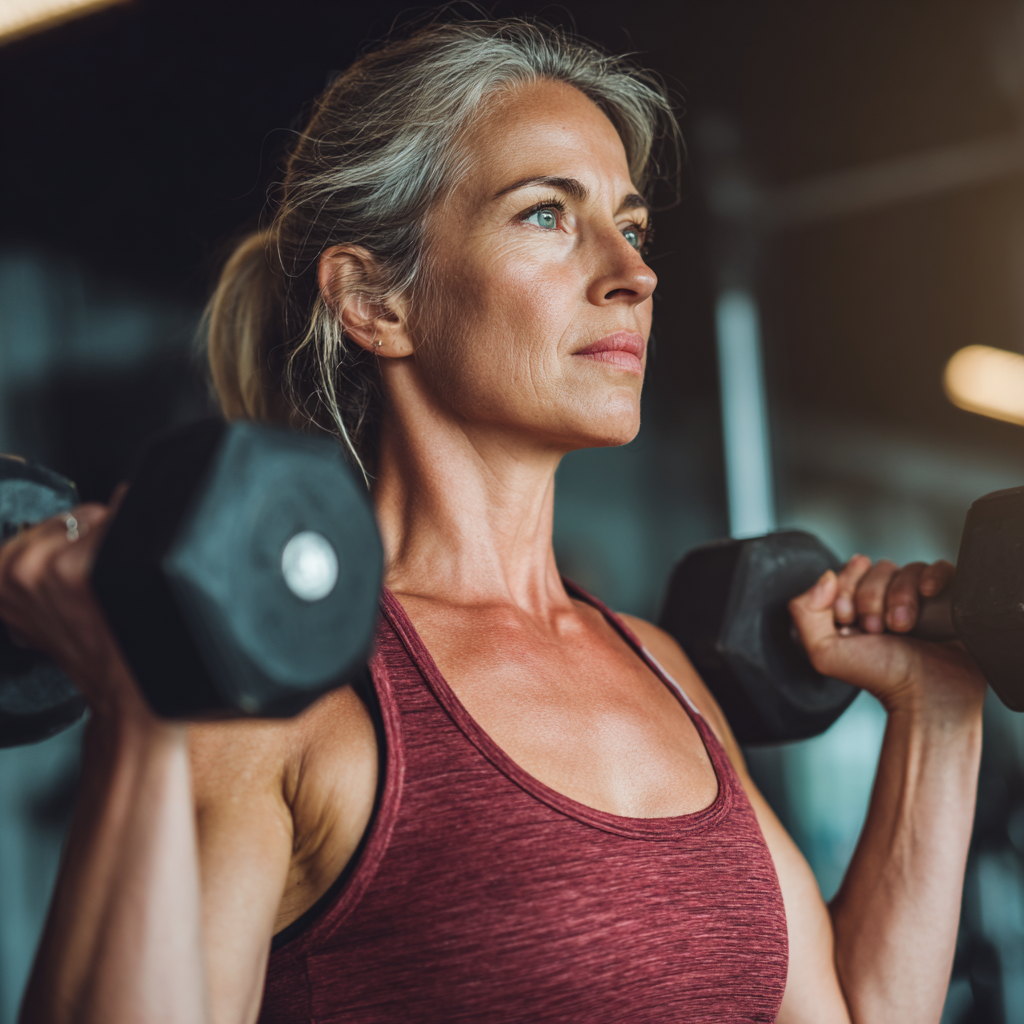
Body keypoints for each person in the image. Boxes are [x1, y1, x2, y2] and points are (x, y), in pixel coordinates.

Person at [2, 17, 986, 1024]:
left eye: (632, 227)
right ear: (376, 301)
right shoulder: (280, 696)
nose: (632, 273)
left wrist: (936, 716)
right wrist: (143, 713)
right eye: (546, 217)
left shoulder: (661, 671)